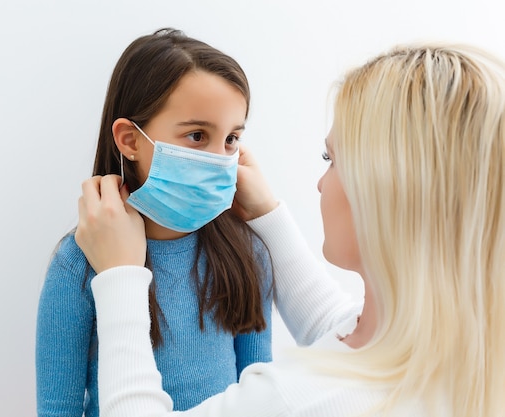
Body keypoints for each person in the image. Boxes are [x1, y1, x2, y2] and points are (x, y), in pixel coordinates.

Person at [77, 43, 505, 416]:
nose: (321, 183)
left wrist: (119, 276)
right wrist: (269, 216)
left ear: (387, 194)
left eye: (331, 160)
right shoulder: (472, 353)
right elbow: (339, 329)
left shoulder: (294, 399)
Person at [36, 28, 358, 417]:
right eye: (196, 135)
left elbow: (257, 385)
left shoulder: (247, 252)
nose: (219, 158)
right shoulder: (78, 263)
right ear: (130, 140)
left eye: (231, 139)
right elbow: (58, 408)